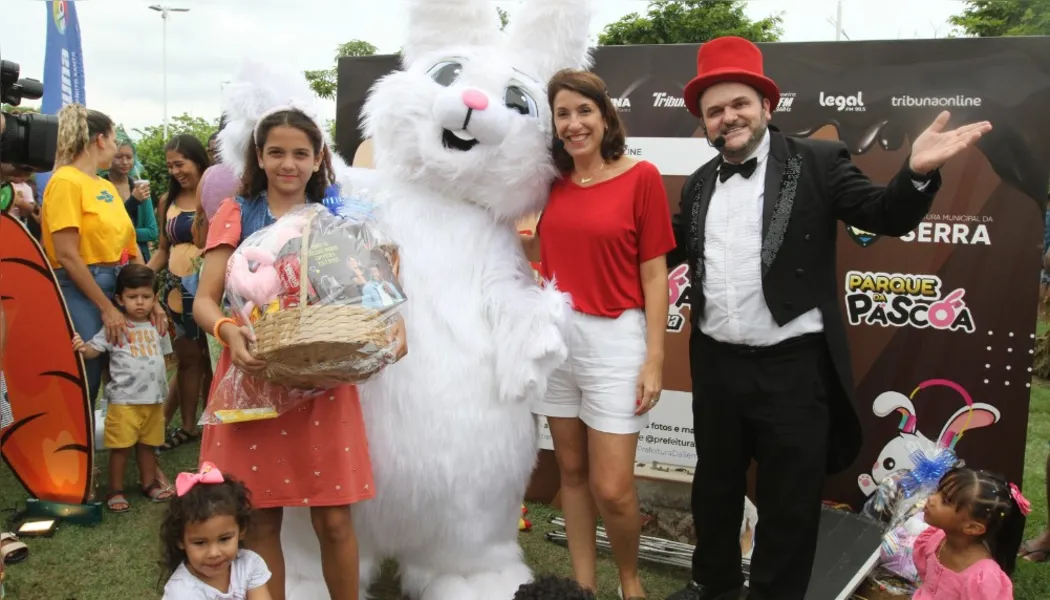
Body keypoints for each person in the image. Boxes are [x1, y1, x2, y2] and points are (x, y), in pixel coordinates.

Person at [663, 37, 992, 600]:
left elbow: (881, 213)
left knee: (789, 506)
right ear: (704, 123)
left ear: (766, 106)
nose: (728, 117)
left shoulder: (815, 161)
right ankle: (714, 589)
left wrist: (914, 172)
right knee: (713, 492)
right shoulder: (698, 185)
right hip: (717, 367)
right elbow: (662, 252)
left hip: (793, 371)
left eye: (739, 103)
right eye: (714, 111)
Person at [192, 107, 380, 600]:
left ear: (319, 159)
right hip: (252, 377)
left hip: (322, 382)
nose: (288, 164)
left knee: (336, 520)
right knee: (259, 521)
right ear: (259, 156)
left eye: (301, 153)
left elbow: (368, 293)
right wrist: (229, 331)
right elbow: (204, 301)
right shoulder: (236, 212)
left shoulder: (338, 219)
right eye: (276, 152)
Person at [524, 68, 675, 600]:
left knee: (612, 487)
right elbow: (539, 251)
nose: (573, 124)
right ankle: (584, 587)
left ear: (605, 116)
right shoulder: (550, 184)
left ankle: (630, 582)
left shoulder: (642, 177)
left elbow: (655, 274)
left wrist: (655, 358)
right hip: (557, 337)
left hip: (617, 339)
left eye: (583, 111)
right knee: (570, 471)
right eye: (562, 114)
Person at [41, 104, 167, 408]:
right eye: (113, 139)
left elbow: (131, 244)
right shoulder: (65, 182)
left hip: (117, 281)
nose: (115, 147)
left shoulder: (106, 187)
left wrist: (154, 301)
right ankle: (70, 445)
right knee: (88, 370)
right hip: (79, 284)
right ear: (100, 139)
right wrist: (106, 309)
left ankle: (122, 442)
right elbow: (67, 255)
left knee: (121, 363)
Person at [73, 264, 174, 510]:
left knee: (148, 445)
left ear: (154, 298)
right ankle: (115, 490)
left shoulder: (158, 327)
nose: (139, 303)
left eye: (146, 297)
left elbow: (167, 358)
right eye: (132, 297)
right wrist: (80, 346)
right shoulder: (114, 327)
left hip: (154, 400)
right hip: (124, 401)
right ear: (119, 299)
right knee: (120, 448)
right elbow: (93, 351)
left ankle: (149, 483)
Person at [148, 134, 213, 450]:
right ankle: (188, 426)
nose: (175, 171)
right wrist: (142, 279)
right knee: (188, 360)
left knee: (213, 359)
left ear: (198, 161)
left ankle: (215, 425)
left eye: (180, 163)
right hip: (175, 290)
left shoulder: (219, 197)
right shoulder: (166, 202)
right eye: (170, 165)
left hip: (211, 287)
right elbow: (162, 250)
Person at [159, 462, 273, 599]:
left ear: (241, 530)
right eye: (200, 543)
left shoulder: (249, 564)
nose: (214, 553)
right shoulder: (181, 592)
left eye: (224, 539)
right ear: (180, 540)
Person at [912, 467, 1026, 599]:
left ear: (972, 527)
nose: (931, 499)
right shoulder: (934, 539)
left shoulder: (983, 578)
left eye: (945, 501)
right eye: (938, 491)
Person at [103, 133, 158, 262]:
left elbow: (152, 232)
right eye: (118, 157)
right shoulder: (100, 187)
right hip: (108, 258)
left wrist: (122, 234)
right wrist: (133, 201)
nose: (124, 162)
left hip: (137, 259)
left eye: (129, 157)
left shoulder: (140, 187)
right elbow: (105, 230)